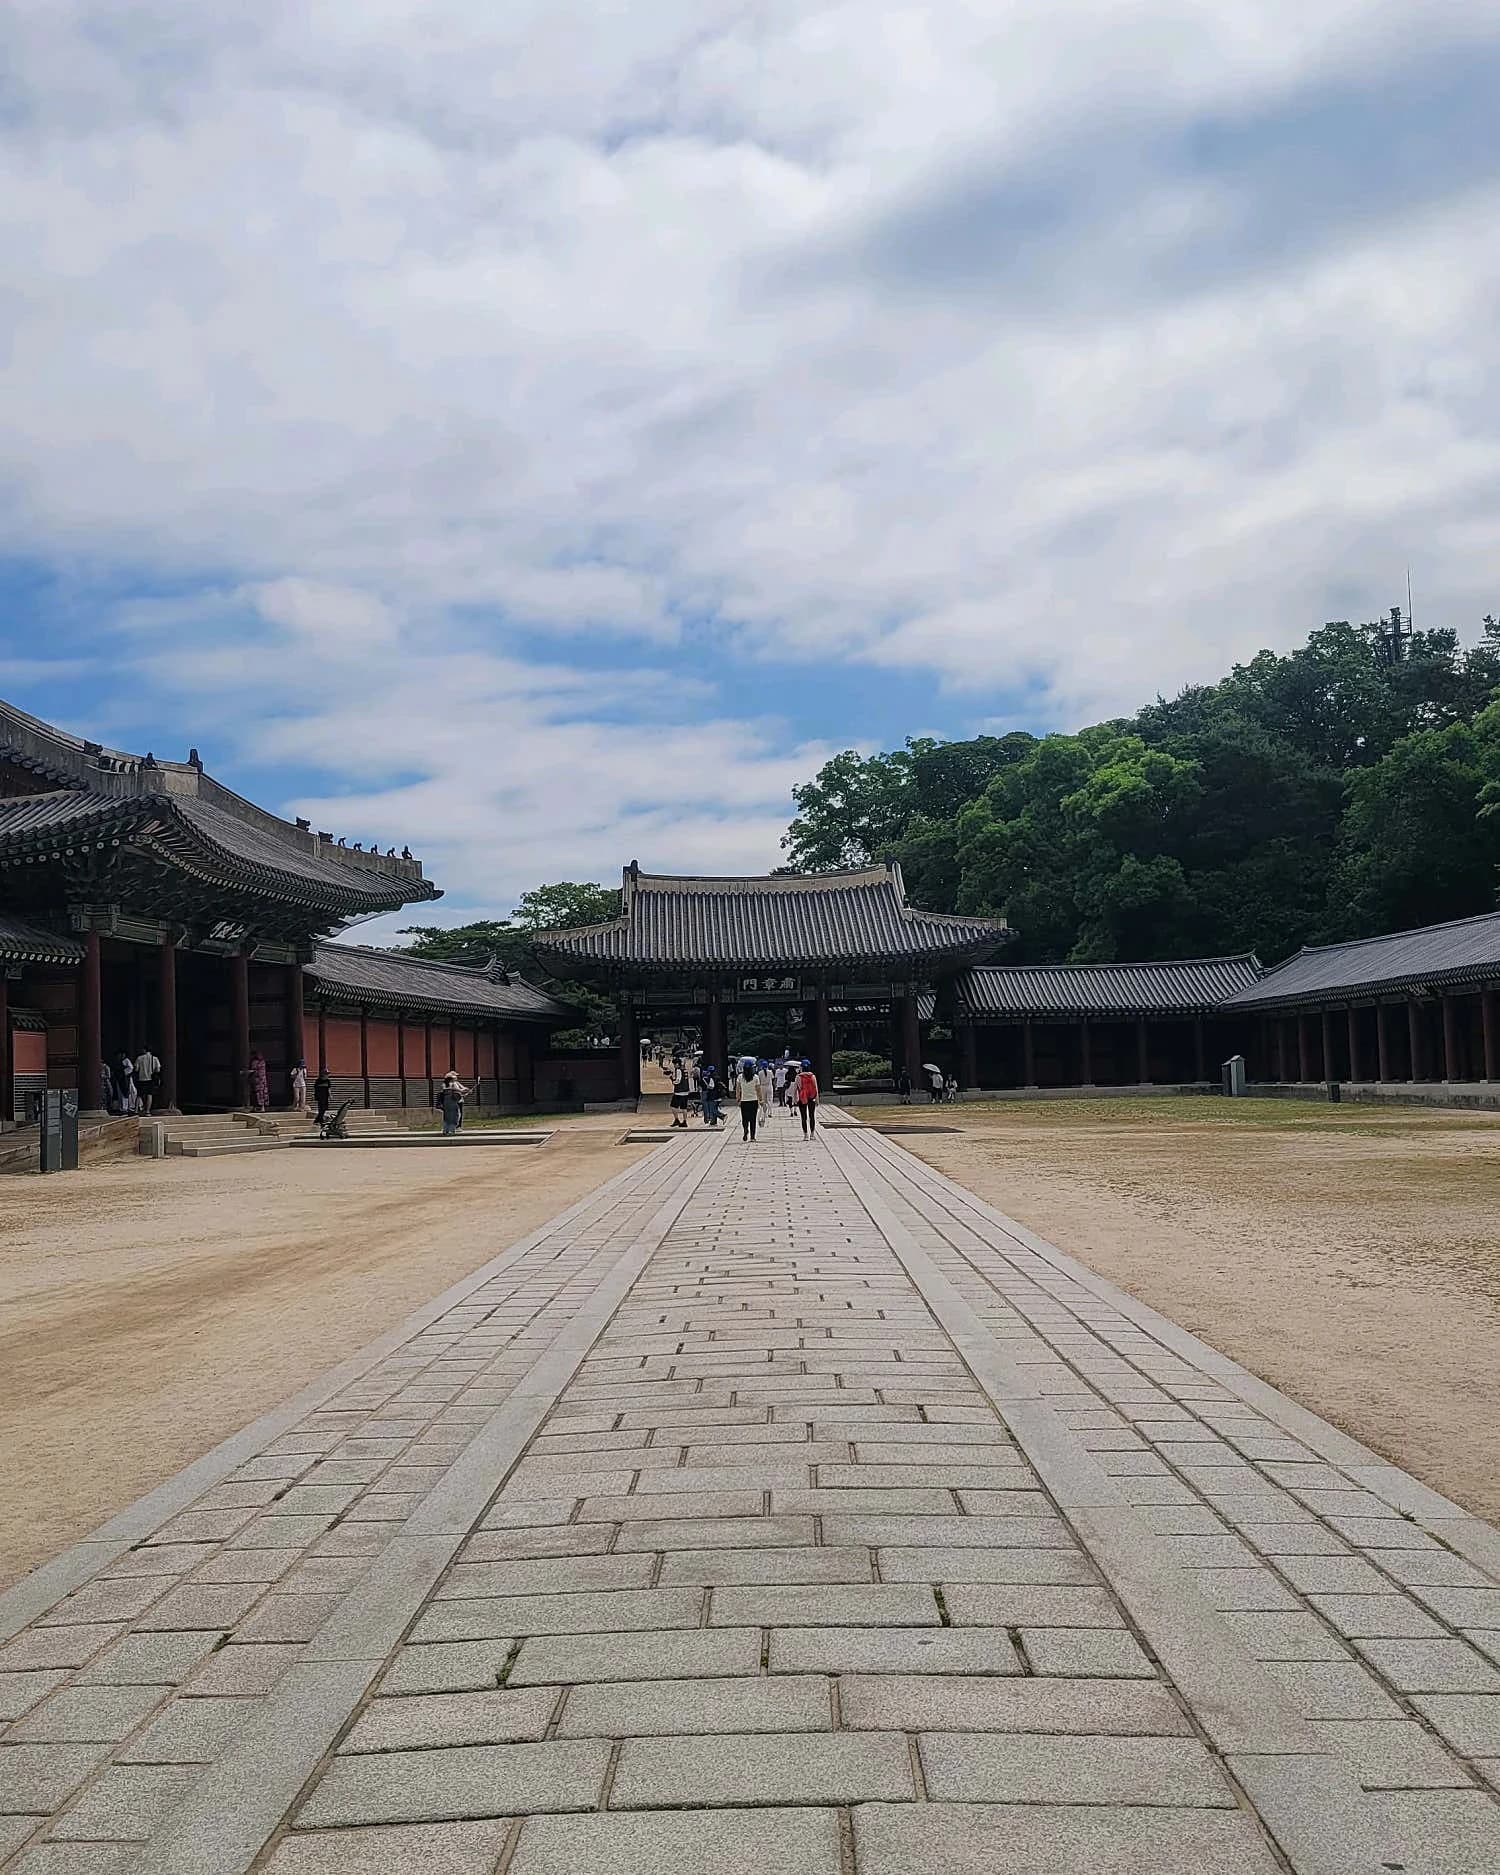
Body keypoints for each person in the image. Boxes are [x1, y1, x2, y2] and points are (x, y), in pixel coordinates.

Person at [436, 1069, 469, 1134]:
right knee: (455, 1115)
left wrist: (463, 1092)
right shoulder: (452, 1085)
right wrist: (462, 1090)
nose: (455, 1078)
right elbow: (456, 1090)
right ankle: (452, 1129)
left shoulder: (444, 1085)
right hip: (452, 1101)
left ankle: (446, 1130)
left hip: (446, 1102)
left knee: (447, 1116)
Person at [736, 1058, 760, 1141]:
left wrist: (738, 1099)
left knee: (744, 1118)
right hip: (754, 1100)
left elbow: (738, 1089)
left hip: (744, 1101)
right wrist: (761, 1100)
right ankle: (752, 1137)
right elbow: (758, 1090)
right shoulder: (756, 1077)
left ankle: (745, 1129)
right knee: (753, 1119)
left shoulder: (740, 1077)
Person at [134, 1043, 161, 1115]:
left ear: (144, 1050)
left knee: (139, 1095)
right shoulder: (154, 1058)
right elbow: (158, 1070)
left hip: (141, 1078)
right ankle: (147, 1111)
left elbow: (136, 1069)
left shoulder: (139, 1058)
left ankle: (136, 1110)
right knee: (149, 1094)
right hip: (150, 1079)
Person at [796, 1058, 819, 1136]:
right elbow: (816, 1088)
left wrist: (795, 1099)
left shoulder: (798, 1076)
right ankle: (812, 1133)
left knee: (803, 1117)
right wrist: (817, 1100)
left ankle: (805, 1134)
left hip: (802, 1098)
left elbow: (797, 1089)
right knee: (811, 1116)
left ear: (801, 1067)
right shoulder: (812, 1076)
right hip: (811, 1097)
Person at [669, 1059, 692, 1128]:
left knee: (673, 1106)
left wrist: (673, 1081)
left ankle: (676, 1119)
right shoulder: (685, 1070)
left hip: (679, 1092)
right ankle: (685, 1121)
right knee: (684, 1108)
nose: (674, 1066)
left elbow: (678, 1080)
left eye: (674, 1064)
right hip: (685, 1091)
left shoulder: (678, 1070)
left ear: (677, 1064)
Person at [699, 1063, 722, 1128]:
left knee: (711, 1108)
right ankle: (713, 1121)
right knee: (714, 1107)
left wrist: (708, 1087)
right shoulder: (717, 1077)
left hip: (712, 1095)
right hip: (717, 1094)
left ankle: (722, 1116)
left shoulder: (711, 1078)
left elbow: (711, 1087)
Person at [756, 1058, 773, 1123]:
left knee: (763, 1100)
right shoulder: (770, 1072)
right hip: (769, 1086)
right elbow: (773, 1078)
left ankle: (764, 1112)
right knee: (769, 1100)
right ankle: (770, 1112)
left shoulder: (760, 1073)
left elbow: (759, 1081)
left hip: (762, 1087)